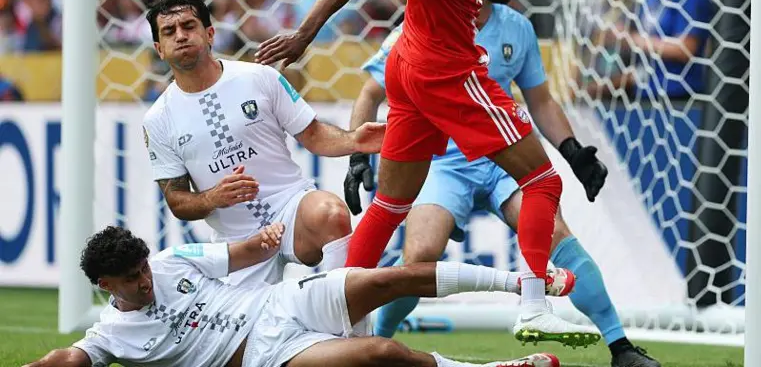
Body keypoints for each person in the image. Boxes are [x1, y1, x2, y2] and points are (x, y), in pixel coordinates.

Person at [256, 0, 600, 343]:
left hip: (408, 66)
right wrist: (304, 35)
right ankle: (534, 307)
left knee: (390, 206)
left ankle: (333, 318)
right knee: (544, 180)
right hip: (449, 72)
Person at [347, 0, 660, 366]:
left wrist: (572, 151)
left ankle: (620, 348)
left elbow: (542, 101)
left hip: (502, 164)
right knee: (420, 253)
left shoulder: (518, 28)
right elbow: (368, 93)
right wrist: (358, 153)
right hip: (444, 163)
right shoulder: (417, 30)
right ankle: (375, 342)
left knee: (559, 237)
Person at [23, 224, 562, 367]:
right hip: (266, 355)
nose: (145, 281)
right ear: (105, 286)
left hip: (280, 303)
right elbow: (72, 358)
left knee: (385, 279)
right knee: (384, 354)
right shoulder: (111, 336)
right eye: (132, 280)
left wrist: (264, 241)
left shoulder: (168, 261)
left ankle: (525, 283)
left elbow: (238, 255)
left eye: (143, 269)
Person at [143, 0, 383, 286]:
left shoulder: (259, 77)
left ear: (210, 34)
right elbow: (177, 201)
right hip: (238, 241)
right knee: (249, 333)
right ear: (159, 48)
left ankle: (344, 323)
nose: (180, 36)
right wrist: (212, 197)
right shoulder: (158, 118)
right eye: (169, 31)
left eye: (189, 26)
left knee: (331, 213)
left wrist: (354, 140)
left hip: (291, 208)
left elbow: (314, 135)